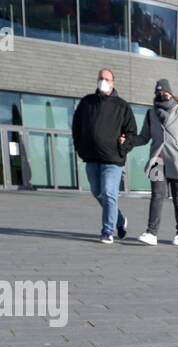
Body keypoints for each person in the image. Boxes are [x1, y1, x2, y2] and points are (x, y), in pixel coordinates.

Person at [72, 67, 138, 243]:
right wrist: (79, 147)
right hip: (92, 158)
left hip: (112, 159)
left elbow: (131, 132)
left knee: (109, 193)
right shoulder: (87, 103)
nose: (103, 81)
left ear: (113, 82)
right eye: (101, 78)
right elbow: (76, 126)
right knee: (98, 193)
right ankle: (120, 220)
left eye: (107, 79)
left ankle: (107, 231)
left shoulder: (122, 106)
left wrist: (122, 149)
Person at [131, 79, 178, 247]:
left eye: (166, 92)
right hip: (157, 160)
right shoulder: (151, 114)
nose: (163, 95)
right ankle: (151, 233)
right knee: (156, 195)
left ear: (171, 93)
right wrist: (129, 141)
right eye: (159, 93)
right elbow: (144, 137)